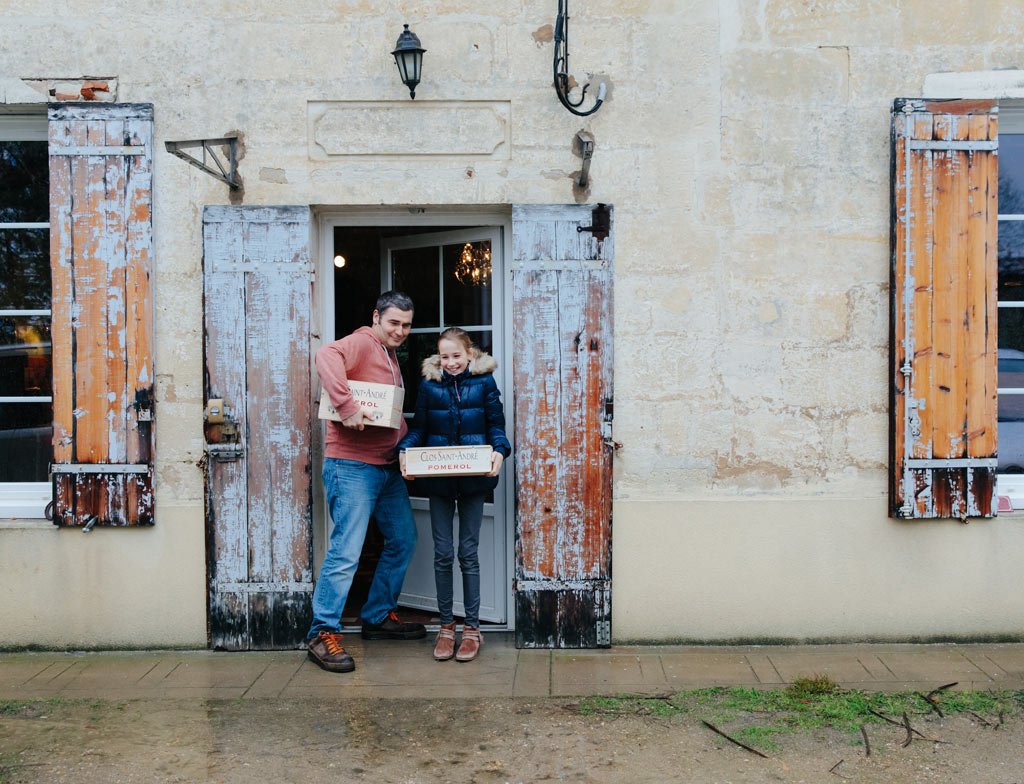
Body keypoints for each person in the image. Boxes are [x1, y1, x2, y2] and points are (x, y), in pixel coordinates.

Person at [306, 290, 426, 674]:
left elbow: (387, 411)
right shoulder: (362, 342)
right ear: (377, 317)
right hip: (352, 466)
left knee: (403, 539)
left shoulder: (390, 355)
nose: (401, 331)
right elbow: (325, 355)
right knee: (346, 552)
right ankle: (321, 632)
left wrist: (407, 447)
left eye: (406, 325)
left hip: (387, 467)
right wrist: (346, 406)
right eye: (394, 323)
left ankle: (375, 616)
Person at [397, 327, 511, 663]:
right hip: (440, 483)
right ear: (438, 357)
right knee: (443, 553)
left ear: (469, 354)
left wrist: (499, 453)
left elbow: (497, 427)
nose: (451, 363)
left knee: (468, 553)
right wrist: (406, 451)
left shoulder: (485, 383)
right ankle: (447, 627)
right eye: (445, 357)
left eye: (456, 356)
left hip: (474, 481)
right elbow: (418, 428)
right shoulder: (430, 386)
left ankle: (472, 629)